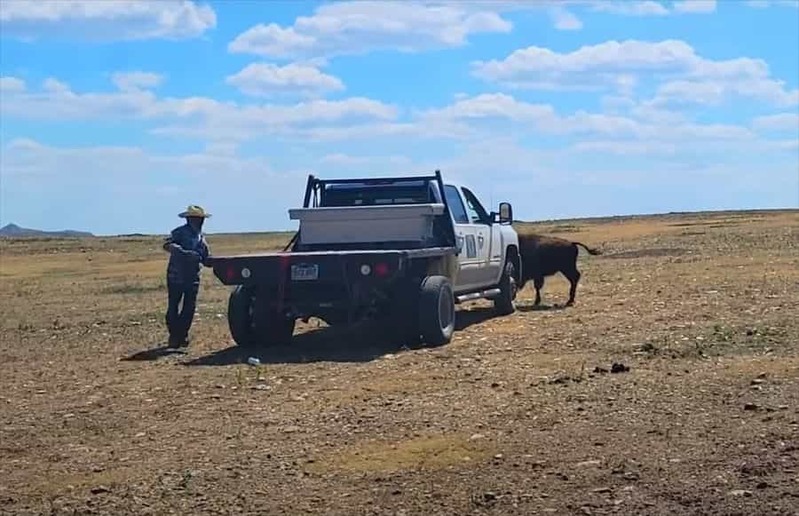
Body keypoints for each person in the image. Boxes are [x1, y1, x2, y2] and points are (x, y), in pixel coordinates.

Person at [162, 205, 212, 348]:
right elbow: (167, 244)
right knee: (173, 305)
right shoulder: (179, 232)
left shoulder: (201, 237)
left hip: (193, 276)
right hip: (176, 275)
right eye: (198, 219)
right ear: (190, 219)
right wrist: (183, 253)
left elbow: (206, 257)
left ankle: (182, 334)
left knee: (189, 307)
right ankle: (174, 335)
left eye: (201, 219)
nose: (201, 222)